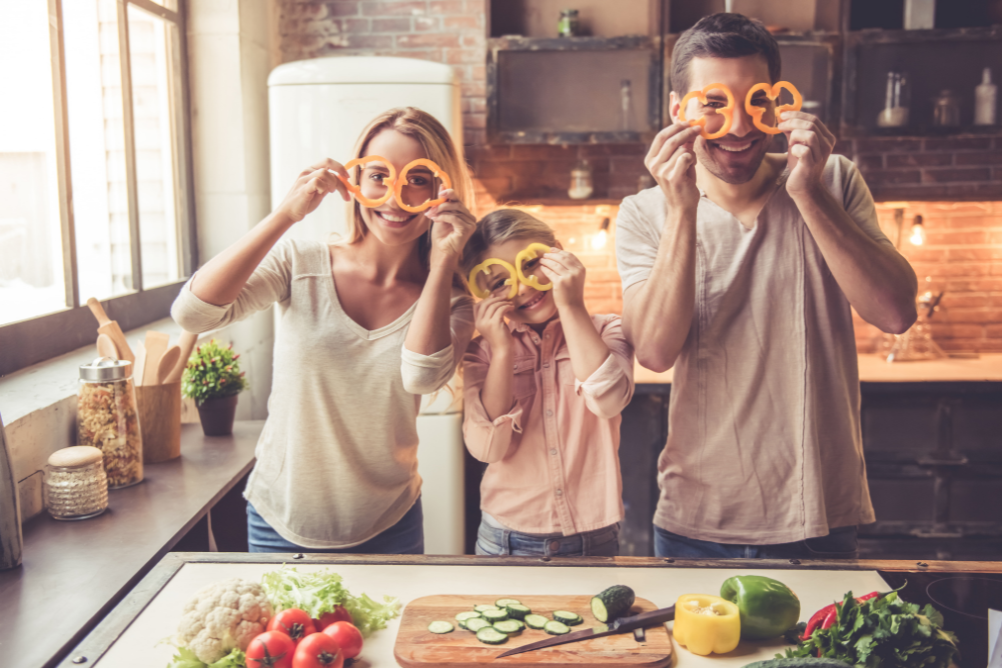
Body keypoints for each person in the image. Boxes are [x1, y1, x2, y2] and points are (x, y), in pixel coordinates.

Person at [616, 14, 918, 559]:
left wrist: (809, 193)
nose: (737, 127)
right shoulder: (644, 213)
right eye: (713, 103)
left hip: (819, 512)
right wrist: (682, 210)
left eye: (755, 102)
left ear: (780, 103)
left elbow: (896, 313)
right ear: (677, 109)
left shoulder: (834, 179)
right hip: (697, 521)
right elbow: (655, 353)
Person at [171, 107, 477, 554]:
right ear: (354, 184)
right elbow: (193, 315)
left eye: (416, 179)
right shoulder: (299, 262)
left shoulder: (452, 300)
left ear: (441, 191)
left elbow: (422, 378)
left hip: (389, 523)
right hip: (280, 521)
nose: (394, 197)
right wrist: (284, 215)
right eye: (378, 175)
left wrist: (446, 256)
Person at [461, 209, 634, 557]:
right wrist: (501, 348)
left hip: (594, 537)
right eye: (499, 283)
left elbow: (608, 401)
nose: (523, 287)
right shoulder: (479, 353)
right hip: (505, 539)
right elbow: (488, 449)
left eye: (530, 264)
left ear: (556, 252)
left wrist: (570, 304)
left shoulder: (609, 329)